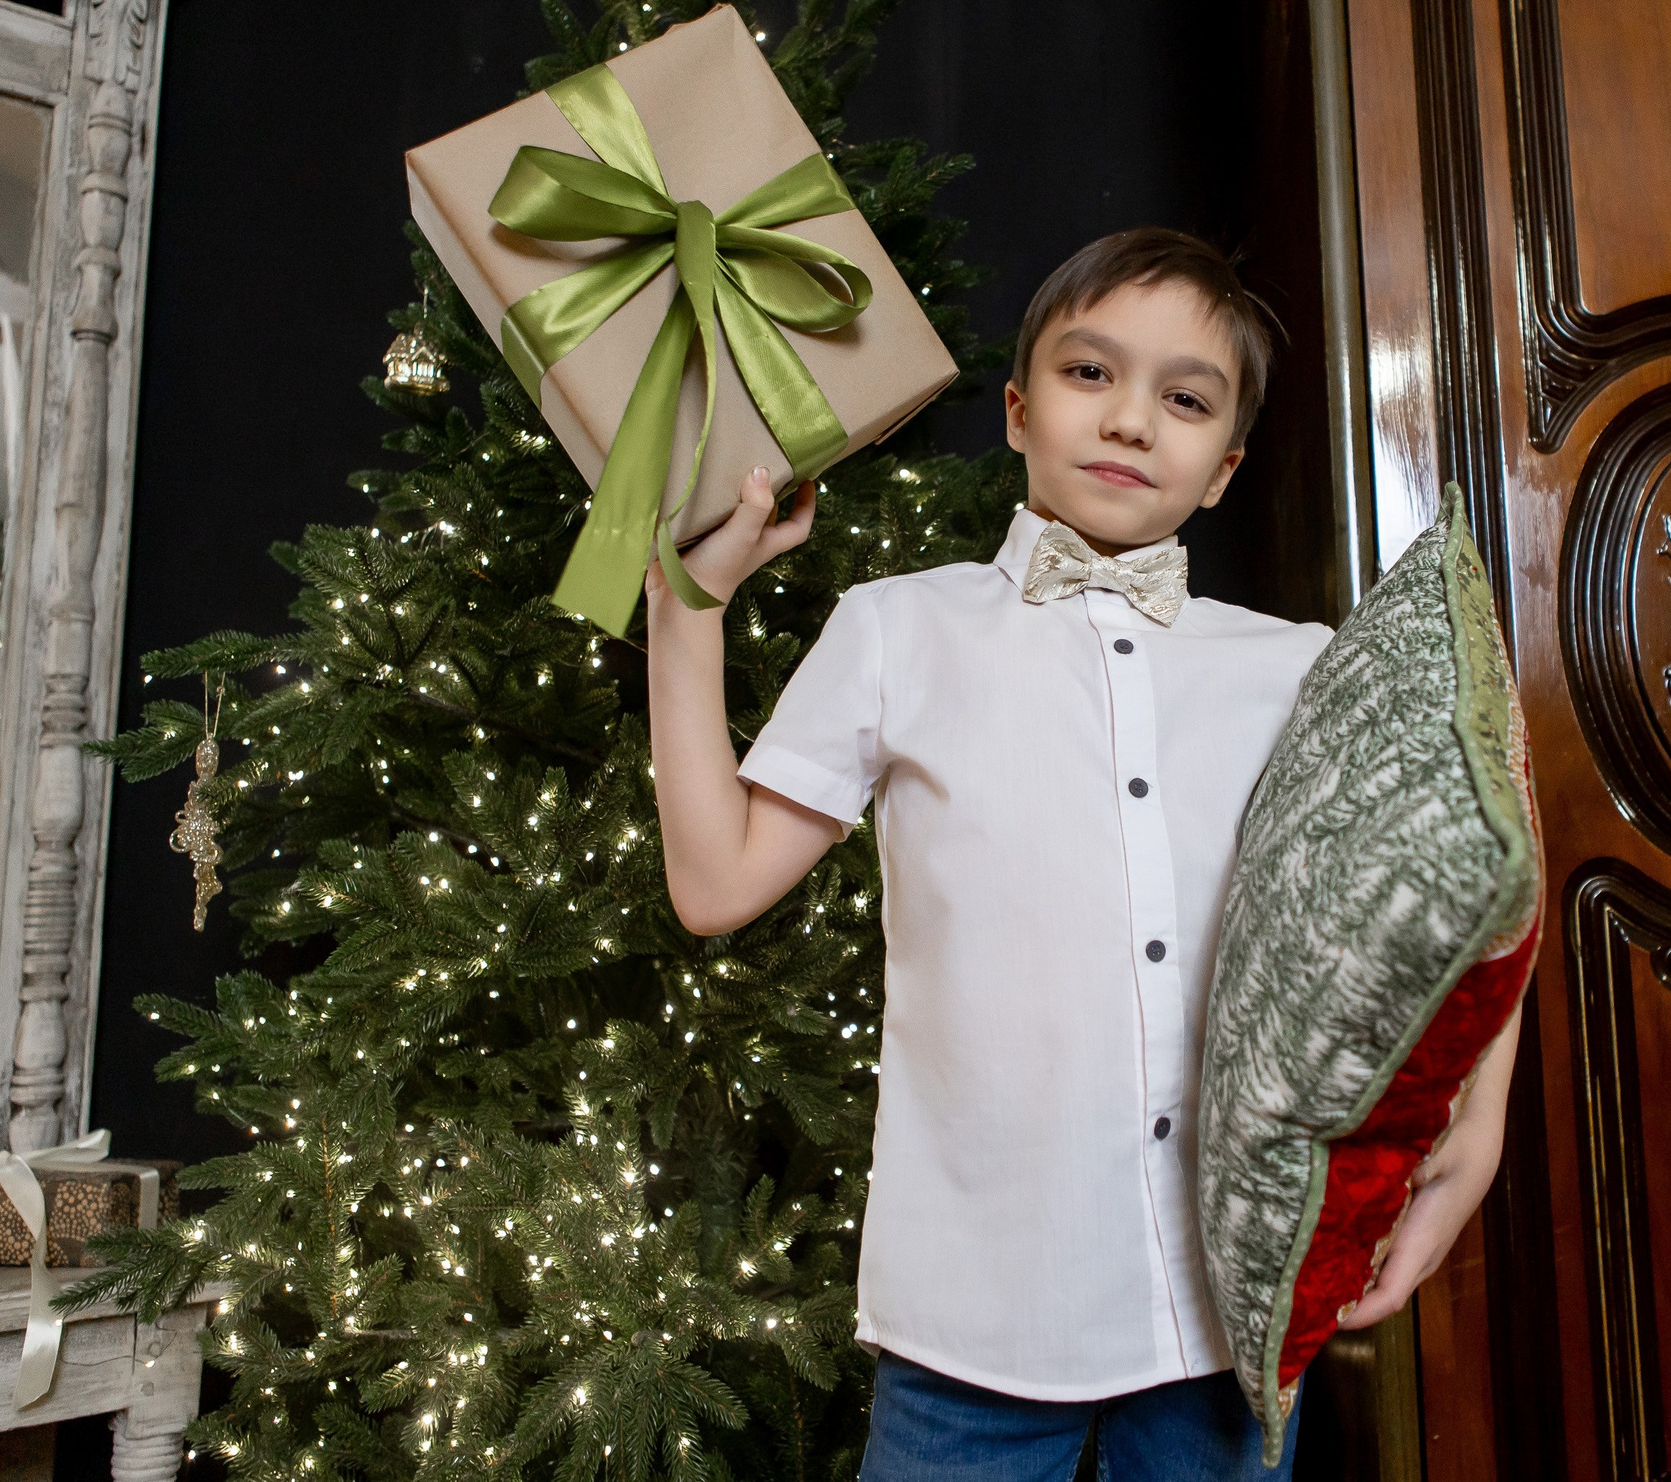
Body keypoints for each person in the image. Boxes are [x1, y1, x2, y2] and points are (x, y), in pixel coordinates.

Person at [647, 228, 1520, 1480]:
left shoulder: (1298, 666)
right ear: (1017, 409)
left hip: (1220, 1317)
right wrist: (686, 610)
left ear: (1222, 470)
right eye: (1090, 372)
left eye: (1185, 400)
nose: (1129, 420)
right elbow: (713, 883)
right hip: (973, 1316)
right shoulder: (897, 630)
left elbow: (1468, 872)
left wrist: (1477, 1127)